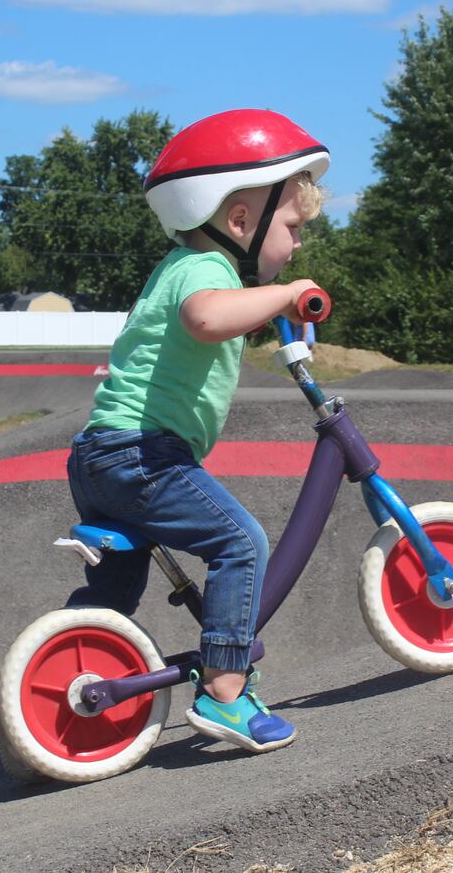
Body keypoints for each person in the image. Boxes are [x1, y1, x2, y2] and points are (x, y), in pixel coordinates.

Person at [64, 108, 327, 754]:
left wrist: (274, 311)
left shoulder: (179, 265)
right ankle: (226, 693)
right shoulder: (206, 273)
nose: (296, 245)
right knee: (240, 540)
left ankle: (65, 658)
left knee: (117, 587)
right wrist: (289, 292)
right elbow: (208, 318)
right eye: (290, 228)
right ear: (240, 221)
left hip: (101, 456)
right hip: (143, 455)